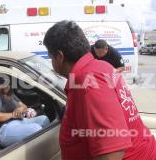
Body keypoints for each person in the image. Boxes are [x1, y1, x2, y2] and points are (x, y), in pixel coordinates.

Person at [43, 20, 156, 160]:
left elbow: (112, 154)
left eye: (50, 57)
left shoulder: (88, 81)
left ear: (59, 57)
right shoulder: (100, 67)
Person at [0, 78, 50, 147]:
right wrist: (12, 115)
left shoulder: (10, 94)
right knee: (36, 128)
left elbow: (24, 106)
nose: (5, 86)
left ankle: (47, 145)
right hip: (6, 128)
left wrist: (21, 108)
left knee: (44, 119)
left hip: (21, 121)